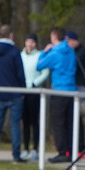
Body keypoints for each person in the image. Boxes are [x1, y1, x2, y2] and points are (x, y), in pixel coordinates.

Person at [36, 28, 77, 163]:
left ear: (54, 36)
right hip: (72, 90)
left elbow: (39, 65)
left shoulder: (55, 53)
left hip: (59, 90)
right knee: (70, 122)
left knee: (59, 123)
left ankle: (62, 151)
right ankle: (71, 150)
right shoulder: (71, 51)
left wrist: (44, 51)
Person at [0, 25, 26, 162]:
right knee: (15, 125)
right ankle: (16, 155)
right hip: (15, 93)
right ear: (11, 35)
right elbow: (20, 73)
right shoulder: (15, 52)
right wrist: (23, 89)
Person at [20, 34, 47, 161]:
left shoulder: (40, 55)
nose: (30, 44)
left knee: (34, 122)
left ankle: (35, 149)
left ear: (35, 44)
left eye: (32, 42)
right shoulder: (21, 55)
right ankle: (25, 148)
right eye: (28, 41)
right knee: (25, 122)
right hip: (23, 91)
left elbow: (45, 72)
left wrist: (34, 83)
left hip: (35, 91)